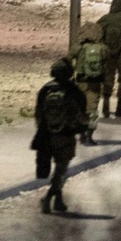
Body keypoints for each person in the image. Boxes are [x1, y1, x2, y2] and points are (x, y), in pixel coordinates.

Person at [32, 59, 91, 215]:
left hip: (47, 135)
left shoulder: (45, 90)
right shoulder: (74, 91)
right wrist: (84, 130)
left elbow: (38, 114)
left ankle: (59, 201)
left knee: (56, 170)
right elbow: (81, 116)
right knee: (61, 169)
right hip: (66, 136)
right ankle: (49, 197)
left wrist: (44, 130)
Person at [69, 23, 109, 145]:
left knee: (80, 108)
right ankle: (89, 137)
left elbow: (67, 59)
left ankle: (81, 134)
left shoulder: (78, 47)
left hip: (80, 81)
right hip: (95, 84)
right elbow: (106, 65)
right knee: (92, 109)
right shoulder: (103, 48)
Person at [98, 0, 121, 118]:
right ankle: (119, 107)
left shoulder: (105, 19)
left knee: (108, 79)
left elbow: (96, 35)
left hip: (107, 54)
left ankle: (105, 106)